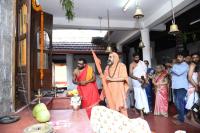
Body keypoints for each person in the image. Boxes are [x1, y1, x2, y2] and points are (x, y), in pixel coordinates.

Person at [103, 52, 129, 116]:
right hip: (110, 91)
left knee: (121, 108)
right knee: (111, 108)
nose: (108, 58)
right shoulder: (107, 68)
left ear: (115, 58)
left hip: (119, 91)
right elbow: (105, 79)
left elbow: (124, 78)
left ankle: (124, 124)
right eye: (108, 57)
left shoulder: (121, 66)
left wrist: (112, 79)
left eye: (110, 57)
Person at [171, 53, 189, 124]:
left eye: (180, 57)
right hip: (175, 86)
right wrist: (173, 68)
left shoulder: (185, 65)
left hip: (182, 86)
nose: (179, 58)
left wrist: (172, 68)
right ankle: (182, 115)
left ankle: (181, 120)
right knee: (176, 102)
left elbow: (178, 73)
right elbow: (171, 73)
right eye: (177, 57)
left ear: (184, 58)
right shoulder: (175, 65)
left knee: (180, 103)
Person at [129, 53, 150, 118]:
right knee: (138, 97)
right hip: (136, 82)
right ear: (133, 58)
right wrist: (138, 79)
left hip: (143, 81)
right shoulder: (131, 64)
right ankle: (141, 112)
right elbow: (130, 74)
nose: (137, 59)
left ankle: (144, 110)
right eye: (136, 58)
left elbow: (145, 72)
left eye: (138, 57)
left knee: (143, 96)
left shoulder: (142, 63)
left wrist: (146, 79)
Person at [185, 53, 199, 124]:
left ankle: (190, 115)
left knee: (195, 101)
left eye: (196, 57)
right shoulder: (192, 65)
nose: (195, 59)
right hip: (192, 86)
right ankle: (193, 118)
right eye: (193, 57)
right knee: (193, 102)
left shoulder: (196, 65)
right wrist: (196, 86)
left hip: (194, 86)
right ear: (191, 58)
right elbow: (189, 78)